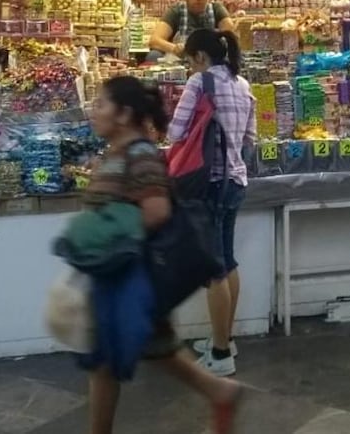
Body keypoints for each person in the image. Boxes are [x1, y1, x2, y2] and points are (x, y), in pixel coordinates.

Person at [81, 75, 242, 434]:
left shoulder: (139, 155)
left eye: (101, 104)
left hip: (131, 279)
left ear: (123, 114)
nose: (94, 111)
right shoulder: (120, 154)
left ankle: (219, 389)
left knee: (110, 361)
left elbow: (155, 212)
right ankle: (219, 390)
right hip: (118, 278)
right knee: (150, 353)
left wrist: (106, 228)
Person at [168, 28, 256, 377]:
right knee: (228, 262)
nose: (190, 68)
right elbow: (250, 139)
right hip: (235, 181)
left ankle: (221, 355)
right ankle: (225, 338)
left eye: (189, 62)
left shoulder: (200, 83)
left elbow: (175, 133)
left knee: (214, 270)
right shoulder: (244, 85)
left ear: (201, 58)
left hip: (209, 184)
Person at [149, 0, 236, 60]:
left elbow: (231, 38)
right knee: (153, 55)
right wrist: (174, 48)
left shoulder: (216, 9)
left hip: (209, 62)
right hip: (181, 60)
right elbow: (154, 41)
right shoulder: (175, 11)